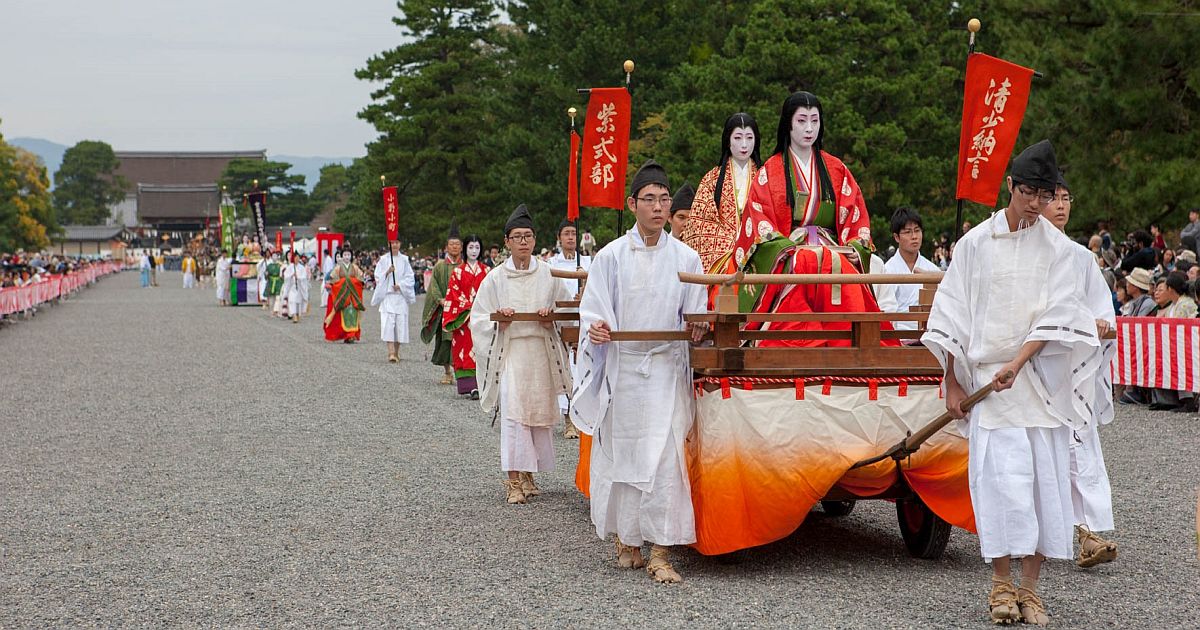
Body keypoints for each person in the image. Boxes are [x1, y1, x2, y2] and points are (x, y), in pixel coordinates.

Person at [922, 140, 1104, 625]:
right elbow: (952, 313)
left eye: (1043, 196)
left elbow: (1060, 312)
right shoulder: (975, 244)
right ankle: (1001, 584)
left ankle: (1031, 589)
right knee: (1004, 485)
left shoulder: (1059, 249)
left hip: (1039, 382)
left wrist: (1021, 361)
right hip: (988, 381)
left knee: (1045, 485)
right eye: (1027, 192)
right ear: (1011, 187)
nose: (1034, 204)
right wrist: (952, 381)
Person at [572, 160, 709, 584]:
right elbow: (593, 309)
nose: (657, 207)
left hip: (666, 367)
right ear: (632, 204)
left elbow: (697, 312)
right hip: (625, 368)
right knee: (625, 456)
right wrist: (595, 327)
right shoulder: (611, 256)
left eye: (664, 199)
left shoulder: (687, 258)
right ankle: (628, 540)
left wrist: (699, 324)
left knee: (666, 460)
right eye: (648, 199)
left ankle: (662, 552)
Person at [1040, 173, 1120, 569]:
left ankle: (1088, 532)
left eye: (1066, 198)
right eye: (1053, 197)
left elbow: (1101, 307)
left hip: (1074, 366)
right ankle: (1040, 534)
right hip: (1037, 366)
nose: (1061, 205)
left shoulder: (1080, 257)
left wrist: (1101, 324)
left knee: (1080, 444)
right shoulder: (1028, 251)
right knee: (1042, 451)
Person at [470, 204, 573, 505]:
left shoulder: (549, 275)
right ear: (507, 242)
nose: (524, 242)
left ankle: (530, 474)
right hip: (512, 351)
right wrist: (499, 320)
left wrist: (550, 317)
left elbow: (566, 311)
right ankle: (513, 480)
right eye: (517, 237)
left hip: (540, 350)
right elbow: (479, 317)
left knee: (539, 416)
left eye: (528, 236)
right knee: (514, 414)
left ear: (535, 239)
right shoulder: (496, 278)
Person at [747, 91, 873, 265]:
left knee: (850, 287)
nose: (809, 128)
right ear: (788, 123)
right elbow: (759, 216)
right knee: (803, 269)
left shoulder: (837, 169)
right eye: (801, 120)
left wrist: (855, 246)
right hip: (790, 253)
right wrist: (779, 247)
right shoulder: (770, 171)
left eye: (815, 120)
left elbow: (855, 215)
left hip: (834, 251)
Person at [682, 112, 762, 274]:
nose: (744, 145)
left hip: (759, 250)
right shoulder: (711, 179)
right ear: (728, 140)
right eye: (738, 138)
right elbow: (700, 224)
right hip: (723, 257)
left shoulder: (765, 178)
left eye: (749, 138)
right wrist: (734, 244)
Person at [547, 219, 592, 438]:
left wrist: (585, 293)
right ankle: (567, 419)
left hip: (582, 323)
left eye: (574, 233)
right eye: (566, 233)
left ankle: (582, 417)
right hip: (559, 322)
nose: (571, 237)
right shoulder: (550, 264)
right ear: (559, 237)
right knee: (563, 368)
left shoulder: (587, 261)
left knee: (581, 369)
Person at [442, 235, 489, 396]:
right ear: (465, 249)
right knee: (465, 348)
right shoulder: (458, 272)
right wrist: (468, 305)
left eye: (477, 247)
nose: (474, 251)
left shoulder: (487, 271)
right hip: (464, 318)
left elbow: (491, 293)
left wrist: (480, 305)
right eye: (471, 247)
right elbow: (453, 293)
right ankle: (470, 386)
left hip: (482, 316)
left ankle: (483, 385)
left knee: (482, 348)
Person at [882, 207, 939, 331]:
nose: (914, 237)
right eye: (908, 232)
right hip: (898, 336)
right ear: (896, 237)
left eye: (917, 230)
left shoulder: (933, 270)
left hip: (928, 334)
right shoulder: (887, 271)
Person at [421, 224, 463, 384]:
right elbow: (434, 285)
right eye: (452, 244)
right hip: (445, 309)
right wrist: (440, 300)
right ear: (447, 247)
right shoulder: (439, 266)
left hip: (461, 309)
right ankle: (447, 372)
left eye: (457, 244)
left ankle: (461, 372)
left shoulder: (464, 265)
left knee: (460, 340)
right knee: (445, 340)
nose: (454, 247)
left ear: (461, 247)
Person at [372, 240, 417, 362]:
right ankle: (391, 352)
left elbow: (410, 277)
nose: (395, 245)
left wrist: (401, 285)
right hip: (388, 296)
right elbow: (377, 276)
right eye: (392, 243)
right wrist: (387, 272)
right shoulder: (383, 259)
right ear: (389, 244)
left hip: (400, 297)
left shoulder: (404, 260)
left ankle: (396, 352)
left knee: (399, 325)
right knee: (388, 324)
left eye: (397, 242)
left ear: (400, 244)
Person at [324, 248, 365, 343]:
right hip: (343, 295)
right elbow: (333, 280)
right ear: (342, 256)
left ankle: (351, 335)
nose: (347, 257)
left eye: (348, 255)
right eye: (345, 255)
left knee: (352, 314)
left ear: (351, 256)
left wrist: (353, 282)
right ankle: (346, 334)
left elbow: (361, 279)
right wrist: (342, 283)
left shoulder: (355, 267)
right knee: (344, 315)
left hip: (352, 295)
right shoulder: (338, 268)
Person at [282, 251, 310, 324]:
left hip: (299, 287)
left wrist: (299, 277)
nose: (297, 259)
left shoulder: (302, 267)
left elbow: (304, 277)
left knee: (298, 302)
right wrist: (292, 274)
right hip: (292, 287)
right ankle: (294, 315)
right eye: (295, 257)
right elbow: (286, 276)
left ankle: (297, 314)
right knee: (292, 301)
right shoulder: (290, 267)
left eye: (298, 257)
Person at [263, 251, 284, 315]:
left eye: (276, 256)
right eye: (273, 256)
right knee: (271, 298)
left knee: (278, 297)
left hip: (278, 282)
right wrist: (266, 274)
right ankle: (271, 310)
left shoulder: (280, 265)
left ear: (277, 257)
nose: (274, 257)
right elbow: (266, 276)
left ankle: (277, 310)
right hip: (271, 282)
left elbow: (282, 274)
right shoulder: (269, 266)